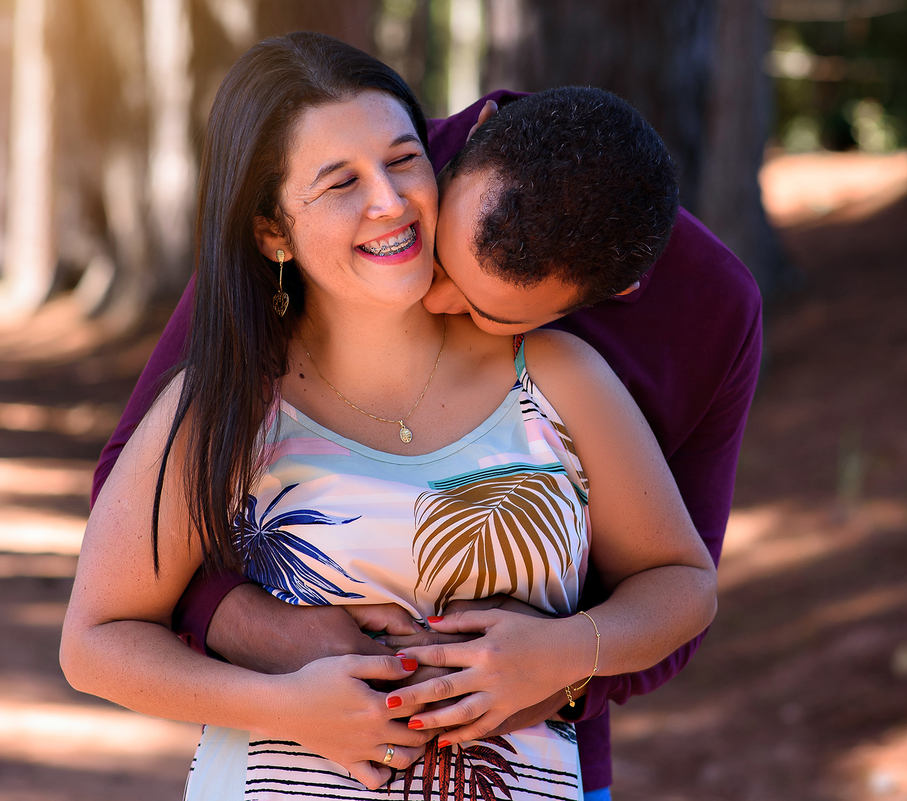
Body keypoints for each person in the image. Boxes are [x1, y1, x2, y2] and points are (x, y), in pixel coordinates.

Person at [60, 32, 719, 800]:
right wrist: (284, 704)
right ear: (273, 230)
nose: (388, 199)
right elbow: (95, 642)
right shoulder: (226, 402)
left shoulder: (558, 376)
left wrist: (570, 650)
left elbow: (683, 583)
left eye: (403, 159)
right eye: (340, 181)